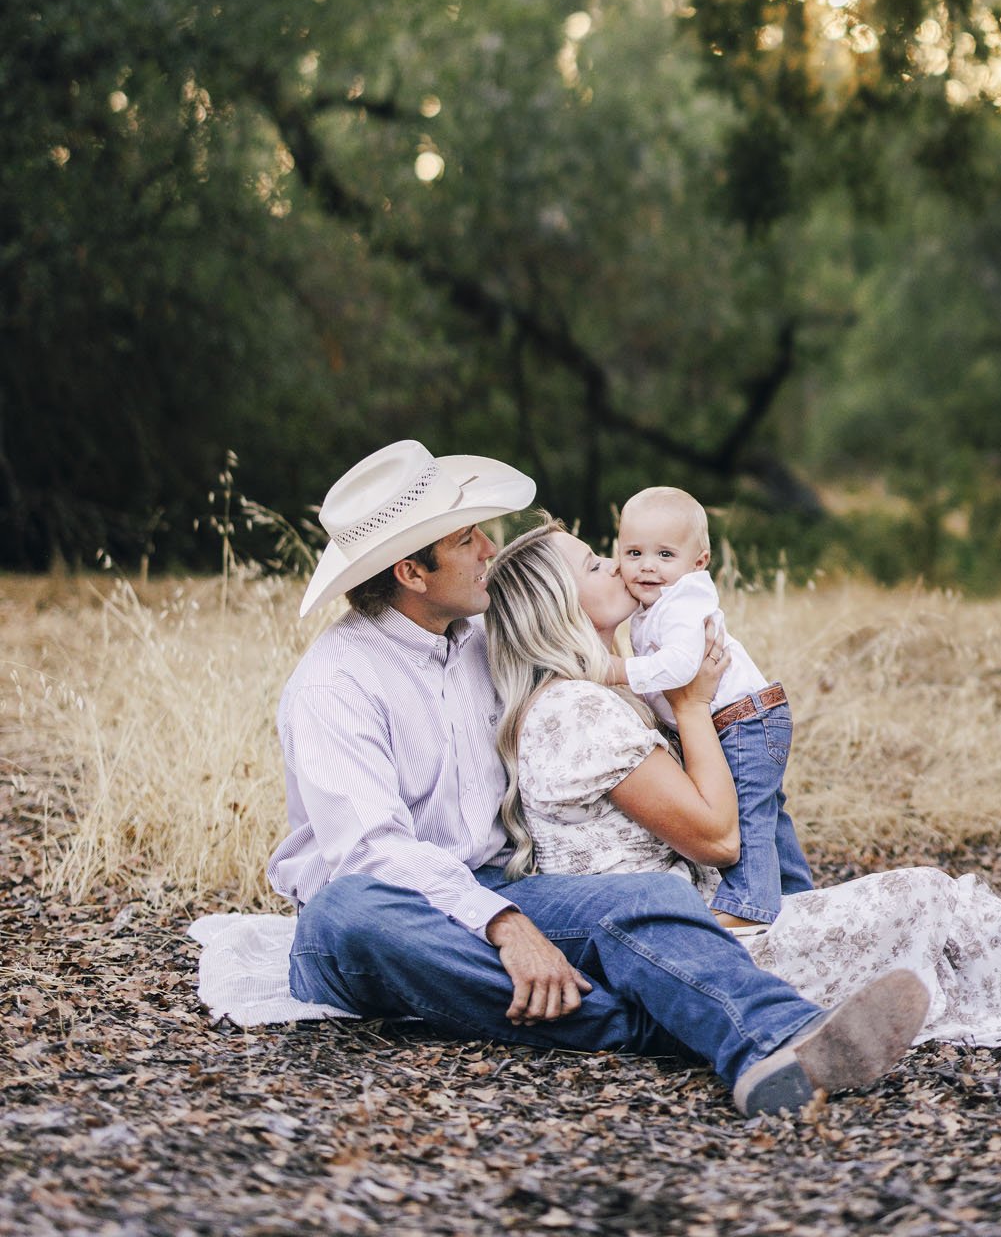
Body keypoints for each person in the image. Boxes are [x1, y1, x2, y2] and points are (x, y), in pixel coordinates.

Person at [265, 439, 929, 1117]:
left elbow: (573, 624)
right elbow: (370, 853)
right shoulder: (335, 684)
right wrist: (505, 926)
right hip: (393, 911)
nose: (489, 550)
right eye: (468, 539)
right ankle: (654, 1023)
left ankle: (779, 1039)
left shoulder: (477, 639)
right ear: (411, 571)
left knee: (639, 896)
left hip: (496, 880)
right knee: (349, 915)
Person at [486, 524, 1001, 1058]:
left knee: (933, 917)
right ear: (558, 607)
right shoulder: (576, 708)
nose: (617, 567)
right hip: (696, 953)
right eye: (591, 566)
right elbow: (717, 837)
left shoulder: (591, 697)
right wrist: (691, 706)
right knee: (922, 902)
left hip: (703, 927)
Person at [595, 484, 811, 928]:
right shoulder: (656, 602)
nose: (647, 566)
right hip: (745, 717)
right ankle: (797, 894)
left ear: (699, 562)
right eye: (633, 553)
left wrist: (616, 670)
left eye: (665, 555)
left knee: (749, 810)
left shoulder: (685, 601)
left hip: (743, 721)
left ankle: (748, 905)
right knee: (768, 812)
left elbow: (678, 668)